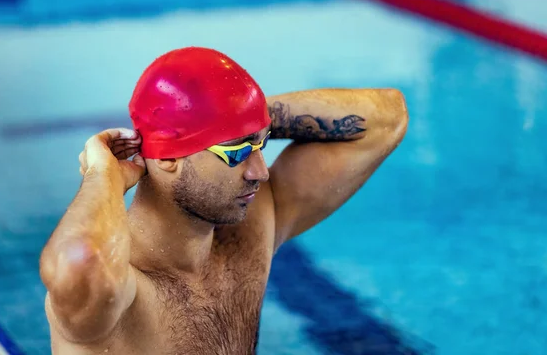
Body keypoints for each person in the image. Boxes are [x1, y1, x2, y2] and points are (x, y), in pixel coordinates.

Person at [39, 46, 409, 354]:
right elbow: (78, 262)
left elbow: (387, 119)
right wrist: (103, 174)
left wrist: (246, 118)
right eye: (236, 151)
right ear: (167, 158)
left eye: (261, 144)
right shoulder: (121, 286)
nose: (260, 171)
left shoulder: (250, 233)